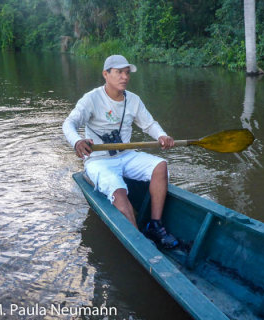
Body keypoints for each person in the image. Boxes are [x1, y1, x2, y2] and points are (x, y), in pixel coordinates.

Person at [63, 55, 178, 249]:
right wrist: (77, 141)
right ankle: (139, 243)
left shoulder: (133, 100)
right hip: (98, 160)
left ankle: (155, 225)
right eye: (119, 72)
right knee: (119, 192)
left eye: (126, 73)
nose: (124, 77)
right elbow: (69, 123)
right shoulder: (92, 99)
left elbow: (149, 124)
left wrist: (162, 136)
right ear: (105, 74)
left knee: (160, 166)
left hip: (125, 155)